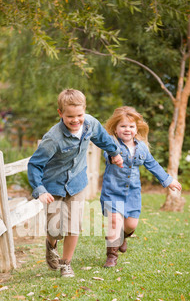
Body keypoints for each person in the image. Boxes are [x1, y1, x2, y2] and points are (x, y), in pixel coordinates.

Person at [27, 89, 123, 278]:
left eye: (79, 115)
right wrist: (39, 190)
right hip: (53, 186)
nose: (76, 120)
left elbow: (102, 138)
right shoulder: (53, 138)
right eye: (70, 116)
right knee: (55, 229)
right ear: (60, 113)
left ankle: (66, 264)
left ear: (84, 110)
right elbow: (34, 165)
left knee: (73, 226)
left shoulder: (90, 124)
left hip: (77, 183)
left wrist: (114, 152)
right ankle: (51, 244)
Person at [100, 106, 182, 268]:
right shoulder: (112, 144)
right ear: (115, 129)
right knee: (115, 222)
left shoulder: (142, 148)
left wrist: (168, 180)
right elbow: (106, 154)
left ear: (137, 129)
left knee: (131, 225)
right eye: (123, 126)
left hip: (133, 192)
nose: (127, 129)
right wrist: (113, 157)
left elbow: (153, 165)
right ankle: (111, 256)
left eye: (131, 126)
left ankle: (122, 237)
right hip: (112, 191)